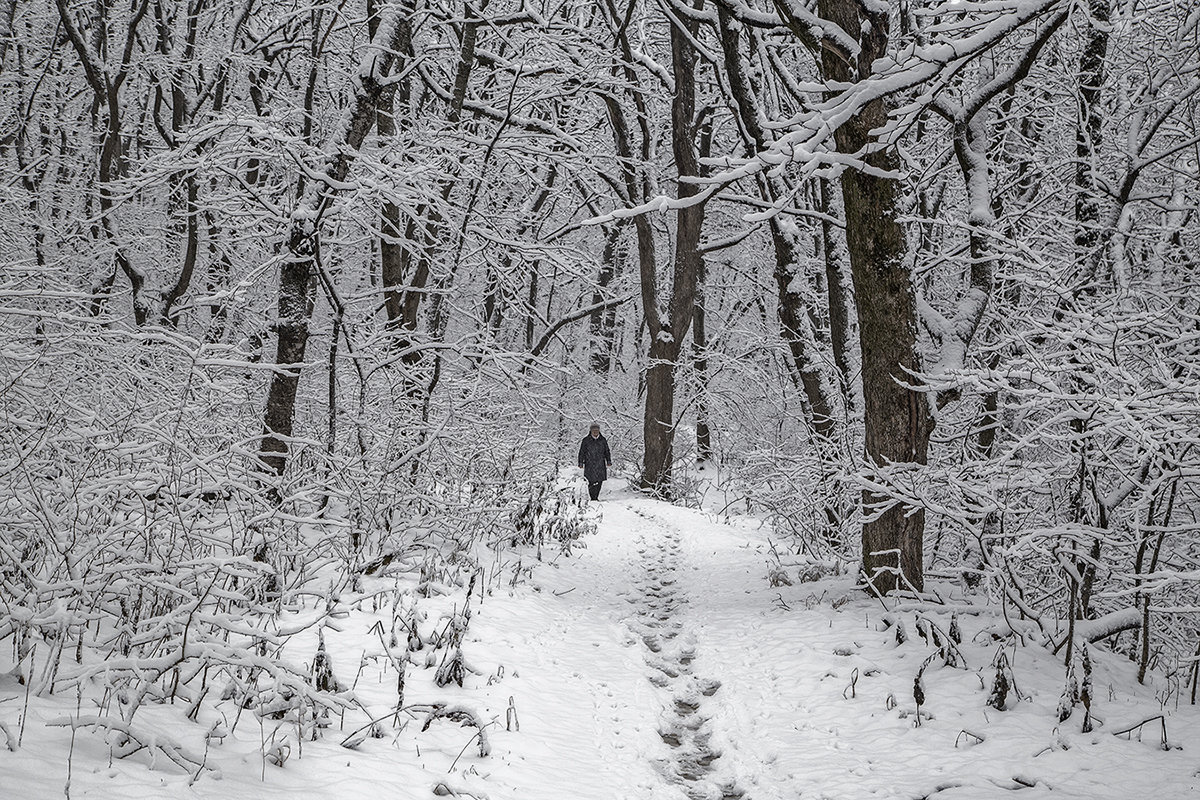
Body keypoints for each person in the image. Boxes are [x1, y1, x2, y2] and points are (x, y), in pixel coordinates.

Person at [577, 423, 612, 501]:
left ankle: (596, 496)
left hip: (600, 463)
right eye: (594, 430)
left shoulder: (603, 440)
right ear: (591, 431)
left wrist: (608, 460)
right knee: (590, 480)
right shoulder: (586, 440)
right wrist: (580, 462)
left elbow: (607, 451)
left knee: (600, 480)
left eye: (597, 430)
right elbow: (582, 452)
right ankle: (593, 497)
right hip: (589, 463)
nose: (595, 432)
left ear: (599, 431)